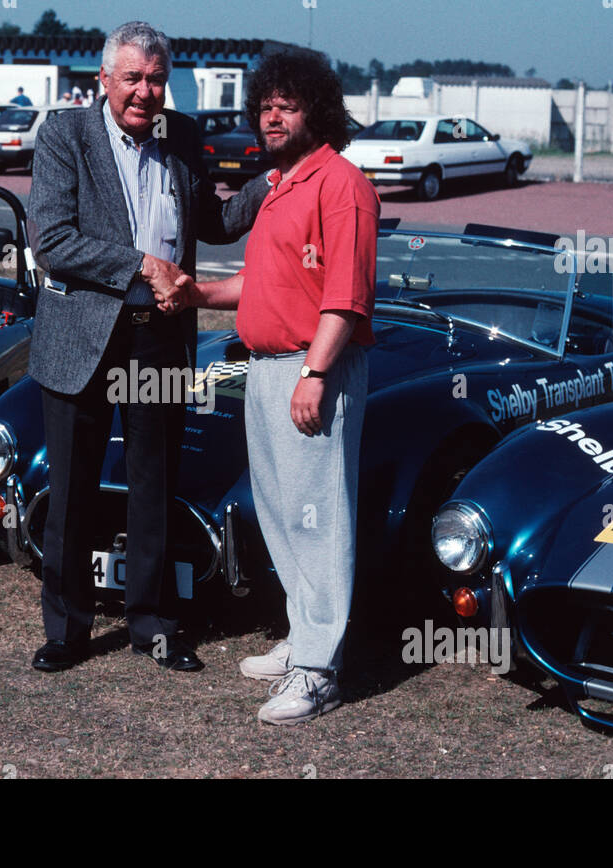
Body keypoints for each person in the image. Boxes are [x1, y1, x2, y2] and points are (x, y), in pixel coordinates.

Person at [25, 21, 268, 674]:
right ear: (104, 80)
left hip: (158, 342)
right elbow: (53, 240)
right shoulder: (64, 136)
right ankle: (67, 630)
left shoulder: (182, 135)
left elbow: (212, 222)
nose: (145, 92)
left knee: (155, 486)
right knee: (71, 490)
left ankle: (155, 625)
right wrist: (143, 266)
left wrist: (276, 181)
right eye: (132, 78)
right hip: (81, 338)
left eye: (156, 79)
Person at [181, 49, 378, 724]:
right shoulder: (277, 184)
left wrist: (315, 373)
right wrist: (200, 293)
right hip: (264, 368)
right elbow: (262, 284)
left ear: (316, 112)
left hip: (311, 365)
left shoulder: (341, 183)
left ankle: (321, 670)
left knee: (318, 517)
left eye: (286, 105)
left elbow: (346, 298)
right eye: (265, 104)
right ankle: (303, 637)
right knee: (280, 512)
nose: (271, 116)